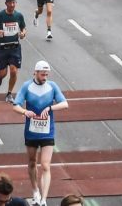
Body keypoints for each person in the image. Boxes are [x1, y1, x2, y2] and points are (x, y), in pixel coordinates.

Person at [13, 61, 70, 206]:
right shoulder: (27, 86)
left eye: (47, 74)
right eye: (42, 74)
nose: (45, 77)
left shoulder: (52, 86)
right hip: (31, 132)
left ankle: (44, 200)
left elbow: (65, 104)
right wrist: (25, 112)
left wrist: (50, 108)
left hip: (47, 132)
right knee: (32, 162)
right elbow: (16, 106)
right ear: (35, 73)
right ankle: (35, 191)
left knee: (45, 165)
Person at [0, 0, 27, 104]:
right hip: (2, 49)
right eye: (10, 3)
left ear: (15, 3)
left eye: (14, 3)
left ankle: (9, 93)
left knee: (14, 70)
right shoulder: (0, 15)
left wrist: (23, 34)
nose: (12, 5)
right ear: (6, 3)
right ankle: (0, 78)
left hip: (14, 48)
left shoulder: (19, 16)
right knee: (3, 73)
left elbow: (23, 28)